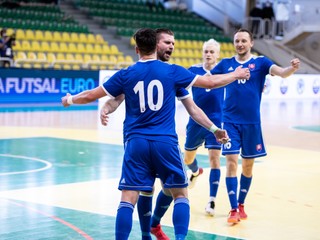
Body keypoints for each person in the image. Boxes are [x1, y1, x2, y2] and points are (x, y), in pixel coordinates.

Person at [62, 28, 250, 240]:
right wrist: (236, 74)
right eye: (167, 43)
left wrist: (69, 100)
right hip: (165, 142)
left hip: (136, 143)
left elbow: (90, 96)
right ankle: (165, 235)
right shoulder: (173, 72)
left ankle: (143, 232)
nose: (171, 46)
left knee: (128, 198)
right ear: (156, 45)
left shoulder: (126, 74)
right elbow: (210, 82)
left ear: (136, 49)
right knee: (180, 193)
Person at [210, 28, 300, 224]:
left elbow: (282, 73)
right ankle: (233, 209)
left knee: (248, 167)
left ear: (251, 43)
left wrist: (291, 68)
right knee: (232, 163)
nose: (240, 44)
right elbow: (210, 79)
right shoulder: (226, 64)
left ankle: (241, 204)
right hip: (230, 123)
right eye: (237, 41)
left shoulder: (260, 63)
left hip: (252, 124)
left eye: (243, 40)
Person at [183, 38, 223, 217]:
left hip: (216, 122)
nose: (208, 54)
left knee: (215, 161)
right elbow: (179, 85)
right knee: (188, 159)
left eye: (212, 52)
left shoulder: (223, 71)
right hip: (196, 121)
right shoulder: (193, 71)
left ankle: (212, 200)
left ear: (217, 55)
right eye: (206, 51)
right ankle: (195, 171)